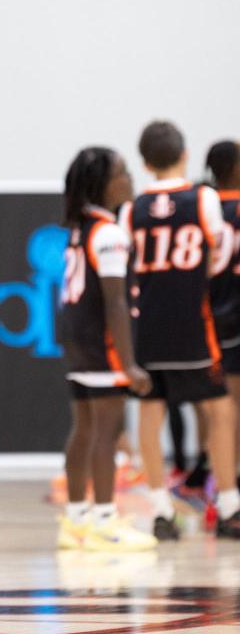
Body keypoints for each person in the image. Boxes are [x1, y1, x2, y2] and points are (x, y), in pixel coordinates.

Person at [125, 121, 240, 540]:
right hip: (193, 324)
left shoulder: (132, 208)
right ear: (185, 154)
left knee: (150, 413)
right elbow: (215, 255)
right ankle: (228, 505)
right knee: (219, 410)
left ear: (144, 163)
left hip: (149, 327)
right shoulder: (203, 198)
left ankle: (160, 511)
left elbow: (131, 265)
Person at [55, 147, 155, 552]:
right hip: (102, 344)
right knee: (106, 432)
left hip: (77, 342)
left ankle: (76, 519)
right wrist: (129, 364)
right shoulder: (110, 233)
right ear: (103, 185)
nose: (129, 180)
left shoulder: (81, 228)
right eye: (122, 173)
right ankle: (104, 521)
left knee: (83, 429)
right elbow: (115, 302)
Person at [206, 139, 240, 482]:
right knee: (229, 408)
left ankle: (217, 479)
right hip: (232, 315)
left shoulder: (204, 207)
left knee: (220, 407)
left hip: (210, 318)